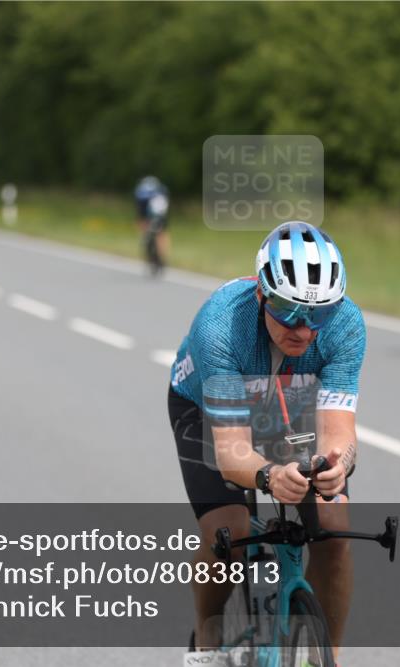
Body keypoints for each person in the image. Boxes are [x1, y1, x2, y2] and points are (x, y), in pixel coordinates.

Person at [168, 221, 364, 660]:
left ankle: (325, 655)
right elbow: (232, 450)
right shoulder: (221, 326)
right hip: (204, 407)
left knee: (334, 531)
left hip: (289, 402)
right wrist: (270, 475)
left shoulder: (346, 325)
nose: (303, 328)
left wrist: (338, 464)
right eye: (287, 310)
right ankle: (207, 644)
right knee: (228, 531)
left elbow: (338, 432)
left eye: (319, 313)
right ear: (261, 293)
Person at [134, 175, 170, 266]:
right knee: (161, 232)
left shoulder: (143, 192)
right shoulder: (161, 191)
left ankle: (161, 255)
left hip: (156, 211)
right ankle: (161, 255)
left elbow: (140, 212)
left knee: (160, 232)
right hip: (155, 210)